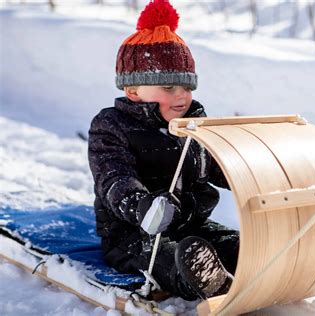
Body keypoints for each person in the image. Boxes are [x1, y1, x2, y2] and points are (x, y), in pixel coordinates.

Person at [88, 0, 239, 300]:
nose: (182, 96)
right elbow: (114, 179)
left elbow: (217, 166)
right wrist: (143, 206)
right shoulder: (110, 126)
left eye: (187, 86)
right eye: (169, 88)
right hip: (133, 233)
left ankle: (250, 266)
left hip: (192, 225)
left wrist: (244, 170)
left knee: (234, 243)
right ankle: (201, 281)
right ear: (133, 91)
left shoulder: (193, 123)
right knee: (164, 257)